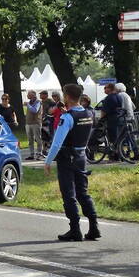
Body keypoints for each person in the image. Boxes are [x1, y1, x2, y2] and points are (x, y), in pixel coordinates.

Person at [45, 84, 99, 242]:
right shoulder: (89, 113)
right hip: (81, 155)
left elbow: (57, 143)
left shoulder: (67, 117)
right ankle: (94, 227)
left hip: (67, 157)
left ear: (67, 96)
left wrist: (48, 161)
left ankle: (75, 230)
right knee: (83, 192)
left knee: (69, 194)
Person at [97, 83, 122, 161]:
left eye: (105, 88)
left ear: (110, 88)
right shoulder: (118, 96)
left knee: (112, 138)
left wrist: (100, 119)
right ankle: (119, 155)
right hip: (118, 118)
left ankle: (113, 156)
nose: (104, 89)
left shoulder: (108, 98)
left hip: (111, 120)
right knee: (118, 138)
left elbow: (104, 111)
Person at [24, 90, 43, 160]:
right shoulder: (29, 102)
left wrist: (28, 105)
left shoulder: (38, 102)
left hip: (36, 123)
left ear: (33, 95)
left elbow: (35, 110)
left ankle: (39, 154)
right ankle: (31, 154)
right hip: (28, 124)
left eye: (29, 94)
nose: (27, 96)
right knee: (30, 140)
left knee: (38, 139)